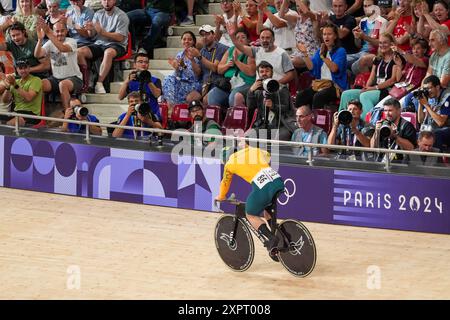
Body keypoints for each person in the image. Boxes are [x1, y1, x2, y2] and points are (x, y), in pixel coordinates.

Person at [215, 136, 286, 261]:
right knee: (266, 209)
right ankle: (277, 236)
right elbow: (268, 155)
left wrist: (221, 196)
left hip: (263, 187)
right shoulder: (254, 151)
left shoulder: (229, 163)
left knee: (250, 213)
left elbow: (225, 182)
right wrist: (249, 149)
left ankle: (271, 239)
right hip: (278, 181)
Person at [339, 33, 400, 119]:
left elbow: (392, 80)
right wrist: (366, 87)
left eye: (385, 43)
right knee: (346, 94)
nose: (382, 45)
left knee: (365, 96)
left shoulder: (396, 59)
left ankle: (368, 125)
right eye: (380, 43)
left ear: (391, 44)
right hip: (374, 89)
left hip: (387, 90)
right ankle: (342, 121)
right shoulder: (377, 59)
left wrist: (373, 88)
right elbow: (372, 77)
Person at [77, 0, 129, 94]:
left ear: (114, 1)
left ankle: (99, 83)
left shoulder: (121, 15)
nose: (106, 2)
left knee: (108, 52)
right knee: (80, 51)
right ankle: (85, 83)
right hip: (100, 43)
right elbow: (92, 35)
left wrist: (103, 33)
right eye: (104, 0)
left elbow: (120, 38)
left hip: (117, 45)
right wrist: (89, 29)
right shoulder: (98, 14)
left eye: (109, 0)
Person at [295, 23, 348, 109]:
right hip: (320, 83)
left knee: (318, 97)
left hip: (334, 86)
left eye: (329, 34)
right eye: (324, 34)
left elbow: (334, 69)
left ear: (335, 36)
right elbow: (311, 67)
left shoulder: (341, 51)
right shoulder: (320, 50)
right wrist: (305, 53)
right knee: (301, 96)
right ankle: (301, 118)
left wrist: (323, 57)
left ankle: (317, 121)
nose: (326, 37)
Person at [34, 21, 83, 110]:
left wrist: (49, 33)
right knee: (39, 84)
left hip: (74, 78)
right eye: (57, 31)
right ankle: (39, 116)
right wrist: (40, 40)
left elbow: (63, 49)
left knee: (62, 85)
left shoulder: (71, 41)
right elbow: (37, 55)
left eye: (62, 31)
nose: (60, 33)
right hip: (56, 79)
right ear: (54, 32)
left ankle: (67, 116)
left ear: (67, 31)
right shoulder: (50, 42)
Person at [228, 25, 295, 86]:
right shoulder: (256, 51)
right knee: (238, 97)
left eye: (268, 38)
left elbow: (291, 75)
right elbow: (241, 47)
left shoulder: (282, 53)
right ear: (259, 40)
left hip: (277, 88)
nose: (265, 40)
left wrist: (275, 84)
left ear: (274, 39)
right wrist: (232, 36)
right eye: (262, 38)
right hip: (259, 88)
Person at [207, 27, 256, 110]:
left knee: (233, 97)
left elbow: (251, 72)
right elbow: (219, 69)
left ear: (248, 40)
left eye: (243, 37)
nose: (240, 40)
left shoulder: (250, 51)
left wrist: (237, 62)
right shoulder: (230, 50)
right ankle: (216, 121)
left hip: (246, 83)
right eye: (237, 38)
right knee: (213, 94)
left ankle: (236, 121)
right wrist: (227, 65)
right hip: (229, 83)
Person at [247, 61, 293, 141]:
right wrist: (251, 91)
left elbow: (287, 108)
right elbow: (251, 107)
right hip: (263, 124)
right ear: (258, 74)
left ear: (272, 73)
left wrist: (273, 106)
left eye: (267, 71)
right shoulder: (258, 90)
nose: (264, 73)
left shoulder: (281, 88)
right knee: (248, 137)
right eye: (261, 72)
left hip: (281, 125)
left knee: (279, 139)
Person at [161, 31, 202, 112]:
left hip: (193, 83)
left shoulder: (196, 53)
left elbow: (197, 74)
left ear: (193, 41)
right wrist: (176, 68)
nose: (186, 41)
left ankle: (175, 109)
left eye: (189, 39)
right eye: (184, 39)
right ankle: (173, 108)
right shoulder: (180, 55)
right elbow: (178, 75)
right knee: (168, 79)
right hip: (182, 82)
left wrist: (192, 60)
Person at [187, 24, 229, 100]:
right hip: (205, 83)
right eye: (202, 35)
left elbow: (215, 68)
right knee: (190, 98)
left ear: (213, 34)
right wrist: (192, 60)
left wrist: (199, 56)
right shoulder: (203, 50)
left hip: (217, 83)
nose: (204, 37)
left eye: (207, 34)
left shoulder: (221, 48)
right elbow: (198, 73)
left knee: (206, 99)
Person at [117, 52, 162, 121]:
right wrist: (126, 82)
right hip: (134, 113)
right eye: (140, 62)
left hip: (151, 114)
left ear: (148, 65)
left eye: (146, 62)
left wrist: (148, 80)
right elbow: (120, 97)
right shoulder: (131, 80)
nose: (143, 64)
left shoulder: (155, 80)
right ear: (135, 64)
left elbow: (157, 95)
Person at [370, 98, 416, 162]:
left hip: (400, 164)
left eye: (390, 110)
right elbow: (372, 147)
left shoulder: (407, 126)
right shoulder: (383, 124)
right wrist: (377, 131)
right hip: (382, 162)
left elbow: (411, 148)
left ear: (399, 111)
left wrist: (394, 136)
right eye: (385, 110)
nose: (387, 113)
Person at [350, 0, 388, 75]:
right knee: (341, 60)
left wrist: (364, 37)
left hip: (373, 53)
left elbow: (381, 43)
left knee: (353, 66)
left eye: (369, 6)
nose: (366, 8)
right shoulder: (363, 21)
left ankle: (366, 82)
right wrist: (356, 37)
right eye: (365, 6)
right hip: (361, 52)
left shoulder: (381, 21)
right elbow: (358, 45)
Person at [2, 59, 43, 126]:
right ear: (16, 70)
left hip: (31, 114)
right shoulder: (16, 81)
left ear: (29, 68)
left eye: (25, 68)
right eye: (20, 68)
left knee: (12, 123)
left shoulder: (36, 80)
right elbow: (5, 100)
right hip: (16, 113)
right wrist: (7, 87)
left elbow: (29, 98)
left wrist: (15, 85)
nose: (23, 71)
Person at [281, 0, 320, 69]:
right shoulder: (297, 19)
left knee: (289, 62)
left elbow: (306, 12)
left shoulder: (313, 17)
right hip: (298, 52)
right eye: (297, 6)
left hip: (311, 53)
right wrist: (285, 1)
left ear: (308, 6)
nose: (299, 8)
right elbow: (281, 15)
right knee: (281, 59)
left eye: (301, 6)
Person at [417, 75, 450, 151]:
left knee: (435, 134)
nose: (427, 91)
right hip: (436, 128)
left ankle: (437, 161)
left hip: (446, 128)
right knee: (418, 135)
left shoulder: (447, 96)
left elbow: (441, 122)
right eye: (425, 89)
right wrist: (420, 103)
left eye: (429, 88)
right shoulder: (431, 97)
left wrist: (426, 105)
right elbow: (421, 120)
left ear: (437, 87)